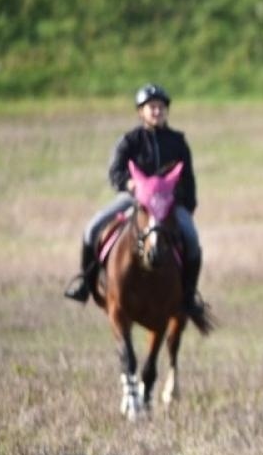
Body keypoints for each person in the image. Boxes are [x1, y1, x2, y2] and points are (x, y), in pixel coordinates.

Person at [63, 83, 205, 320]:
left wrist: (184, 206)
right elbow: (115, 172)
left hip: (167, 204)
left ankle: (188, 296)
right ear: (141, 112)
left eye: (161, 107)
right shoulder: (129, 140)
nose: (157, 111)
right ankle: (86, 283)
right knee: (92, 228)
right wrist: (128, 184)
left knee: (191, 238)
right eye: (152, 107)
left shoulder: (178, 142)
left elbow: (188, 179)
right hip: (134, 199)